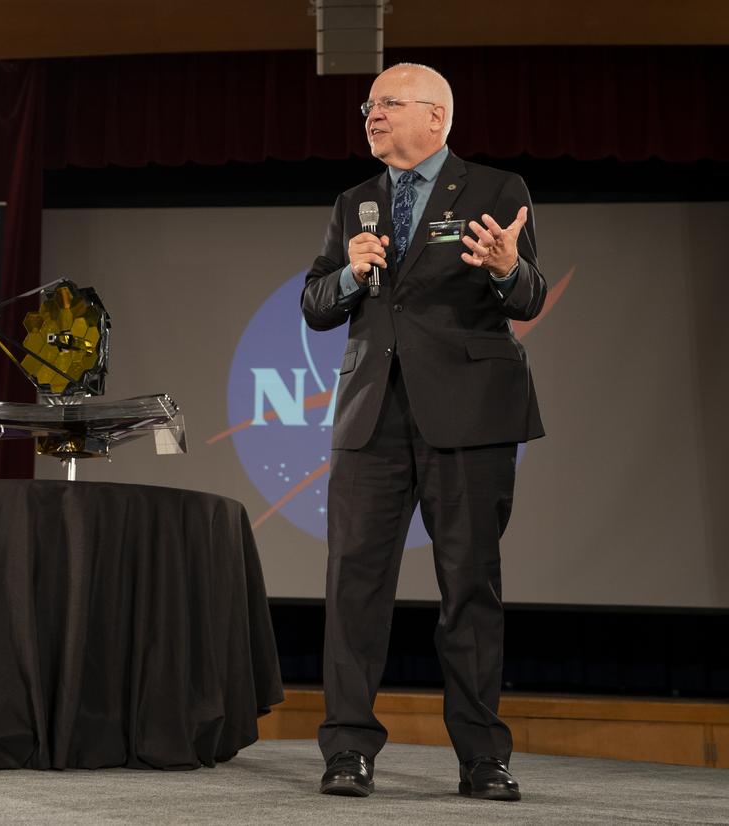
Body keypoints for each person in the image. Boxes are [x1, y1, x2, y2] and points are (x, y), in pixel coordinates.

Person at [302, 63, 545, 801]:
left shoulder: (497, 189)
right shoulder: (355, 202)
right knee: (354, 587)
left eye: (388, 103)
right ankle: (347, 751)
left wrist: (506, 267)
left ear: (436, 117)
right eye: (368, 105)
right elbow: (316, 301)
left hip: (468, 413)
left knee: (470, 586)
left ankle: (482, 758)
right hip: (371, 414)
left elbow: (529, 290)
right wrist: (348, 275)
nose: (371, 114)